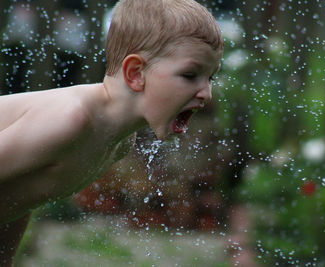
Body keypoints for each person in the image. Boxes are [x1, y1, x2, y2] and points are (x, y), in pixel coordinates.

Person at [0, 0, 223, 265]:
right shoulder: (71, 120)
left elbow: (15, 201)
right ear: (136, 73)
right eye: (190, 75)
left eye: (210, 78)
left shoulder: (119, 142)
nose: (206, 94)